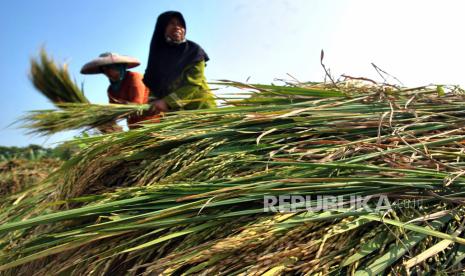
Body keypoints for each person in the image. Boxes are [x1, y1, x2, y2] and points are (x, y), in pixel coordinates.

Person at [143, 11, 216, 113]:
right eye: (172, 23)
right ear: (162, 28)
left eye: (180, 24)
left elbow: (192, 85)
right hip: (175, 116)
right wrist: (151, 102)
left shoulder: (194, 52)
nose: (177, 27)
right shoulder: (156, 59)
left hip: (201, 110)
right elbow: (154, 86)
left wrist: (167, 102)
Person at [81, 52, 159, 130]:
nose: (107, 73)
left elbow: (136, 106)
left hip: (152, 123)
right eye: (104, 70)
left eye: (109, 68)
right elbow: (113, 110)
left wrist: (119, 108)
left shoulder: (134, 78)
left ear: (119, 66)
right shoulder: (111, 90)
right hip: (134, 127)